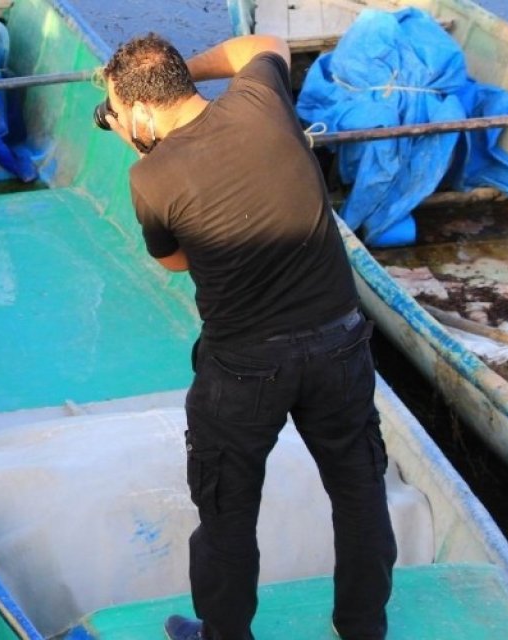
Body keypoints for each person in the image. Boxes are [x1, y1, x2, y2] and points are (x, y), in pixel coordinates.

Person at [98, 34, 397, 640]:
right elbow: (263, 44)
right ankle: (363, 630)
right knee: (359, 490)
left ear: (136, 111)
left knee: (228, 514)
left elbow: (178, 260)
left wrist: (136, 142)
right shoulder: (263, 101)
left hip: (244, 369)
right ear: (183, 81)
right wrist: (180, 70)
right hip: (340, 345)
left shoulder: (151, 177)